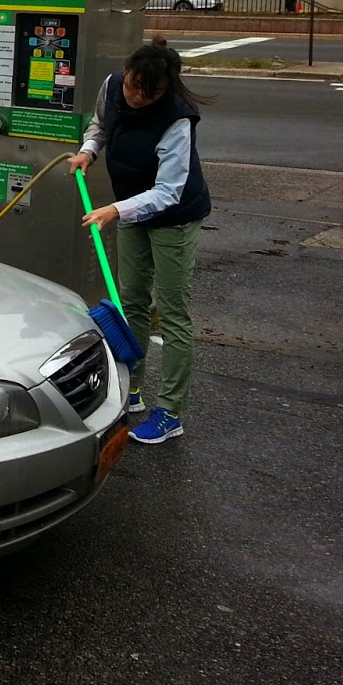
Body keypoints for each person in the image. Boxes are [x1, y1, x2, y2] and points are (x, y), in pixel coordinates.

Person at [68, 38, 212, 445]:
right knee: (129, 299)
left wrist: (116, 210)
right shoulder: (113, 84)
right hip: (130, 208)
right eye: (131, 86)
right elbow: (99, 124)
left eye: (146, 94)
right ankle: (131, 388)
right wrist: (88, 151)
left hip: (175, 219)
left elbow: (169, 191)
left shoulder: (178, 120)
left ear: (165, 90)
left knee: (172, 311)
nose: (134, 97)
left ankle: (171, 411)